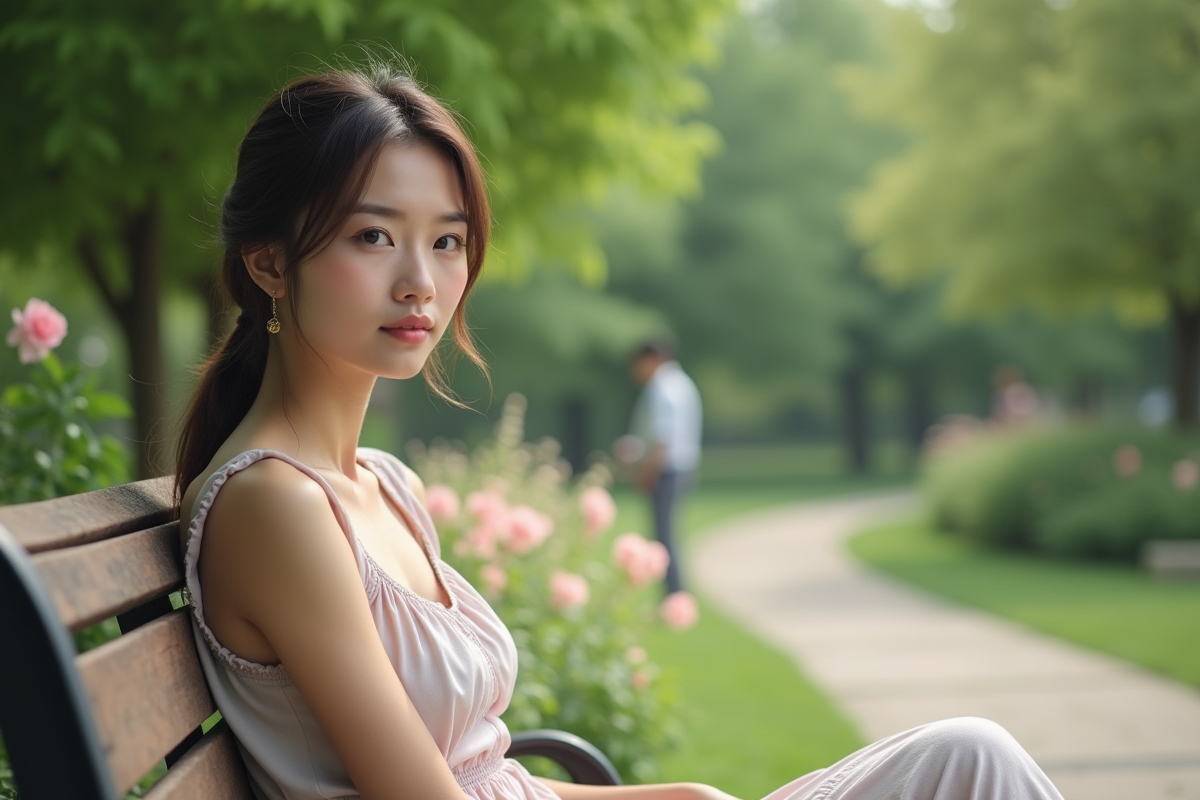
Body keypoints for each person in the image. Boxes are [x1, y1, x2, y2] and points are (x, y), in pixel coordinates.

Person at [174, 64, 1065, 800]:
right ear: (269, 264)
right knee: (975, 765)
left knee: (969, 755)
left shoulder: (382, 484)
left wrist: (672, 797)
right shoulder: (276, 506)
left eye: (446, 242)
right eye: (374, 237)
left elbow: (482, 777)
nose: (421, 283)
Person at [627, 339, 702, 595]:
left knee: (663, 539)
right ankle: (675, 595)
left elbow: (663, 438)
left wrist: (646, 472)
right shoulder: (682, 383)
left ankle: (673, 596)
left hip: (665, 470)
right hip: (681, 468)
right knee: (668, 536)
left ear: (651, 360)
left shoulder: (662, 388)